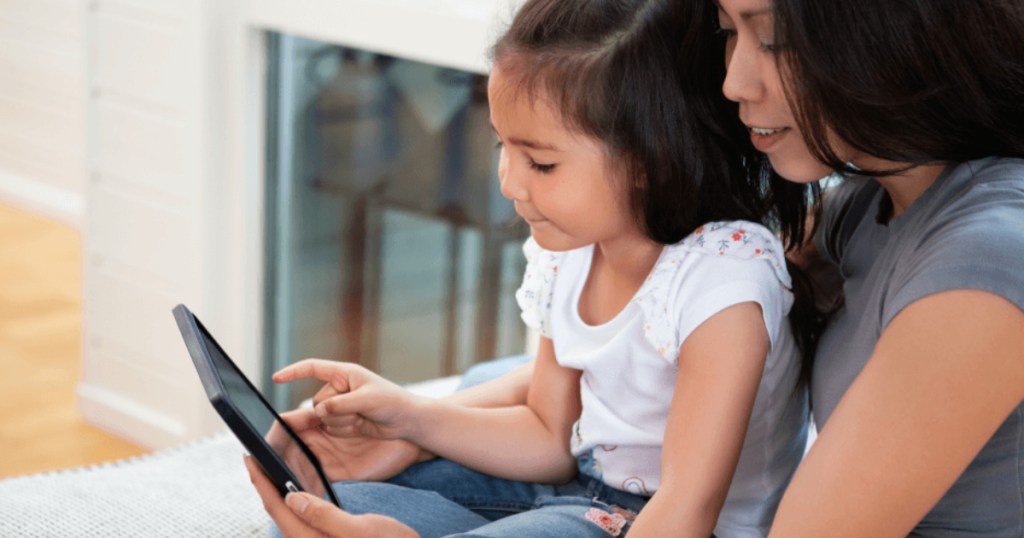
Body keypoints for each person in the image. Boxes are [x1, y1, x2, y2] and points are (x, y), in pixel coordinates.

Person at [247, 0, 821, 536]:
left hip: (667, 522)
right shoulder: (569, 248)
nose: (508, 182)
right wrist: (408, 420)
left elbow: (687, 511)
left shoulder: (721, 277)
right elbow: (549, 435)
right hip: (580, 486)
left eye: (541, 163)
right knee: (329, 507)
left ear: (650, 156)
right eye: (503, 146)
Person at [712, 0, 1024, 535]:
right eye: (728, 32)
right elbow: (698, 323)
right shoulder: (865, 205)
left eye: (773, 38)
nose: (734, 83)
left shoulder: (987, 255)